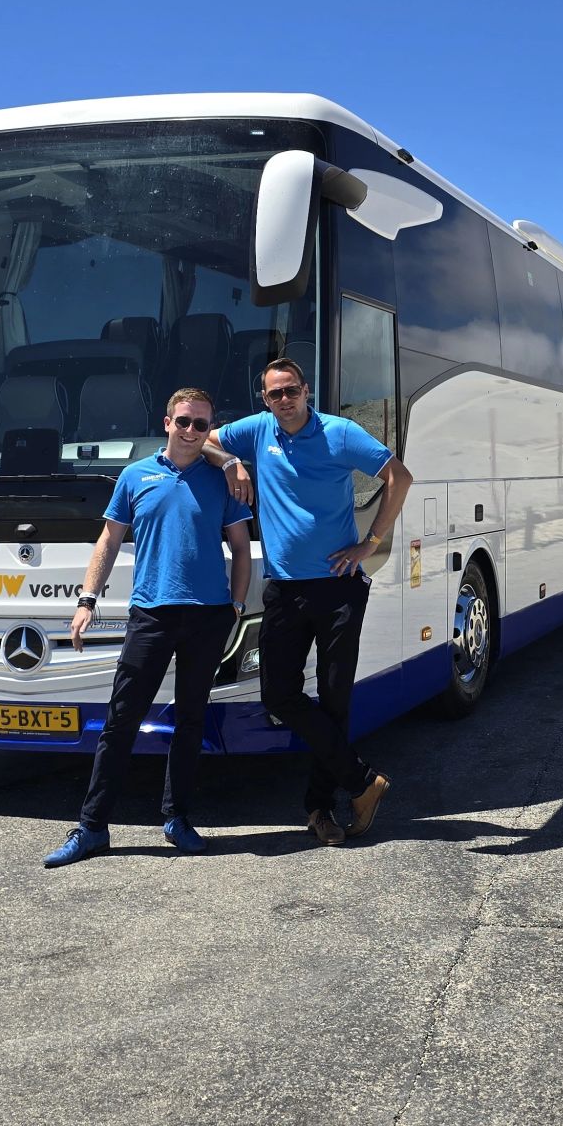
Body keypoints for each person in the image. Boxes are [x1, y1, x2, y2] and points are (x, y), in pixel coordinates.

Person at [43, 387, 251, 867]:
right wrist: (86, 601)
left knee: (191, 720)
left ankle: (177, 819)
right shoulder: (136, 476)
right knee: (121, 722)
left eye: (202, 424)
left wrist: (235, 606)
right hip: (151, 615)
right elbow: (108, 541)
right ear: (167, 422)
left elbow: (241, 547)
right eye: (185, 421)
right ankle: (92, 828)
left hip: (207, 616)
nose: (193, 431)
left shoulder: (222, 481)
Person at [208, 357, 413, 845]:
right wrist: (233, 461)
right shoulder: (259, 430)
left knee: (335, 699)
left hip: (339, 588)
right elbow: (208, 441)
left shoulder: (340, 433)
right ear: (265, 399)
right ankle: (364, 782)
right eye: (275, 394)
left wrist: (372, 542)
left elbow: (399, 478)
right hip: (284, 589)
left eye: (292, 391)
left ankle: (320, 809)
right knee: (278, 695)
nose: (284, 400)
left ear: (306, 391)